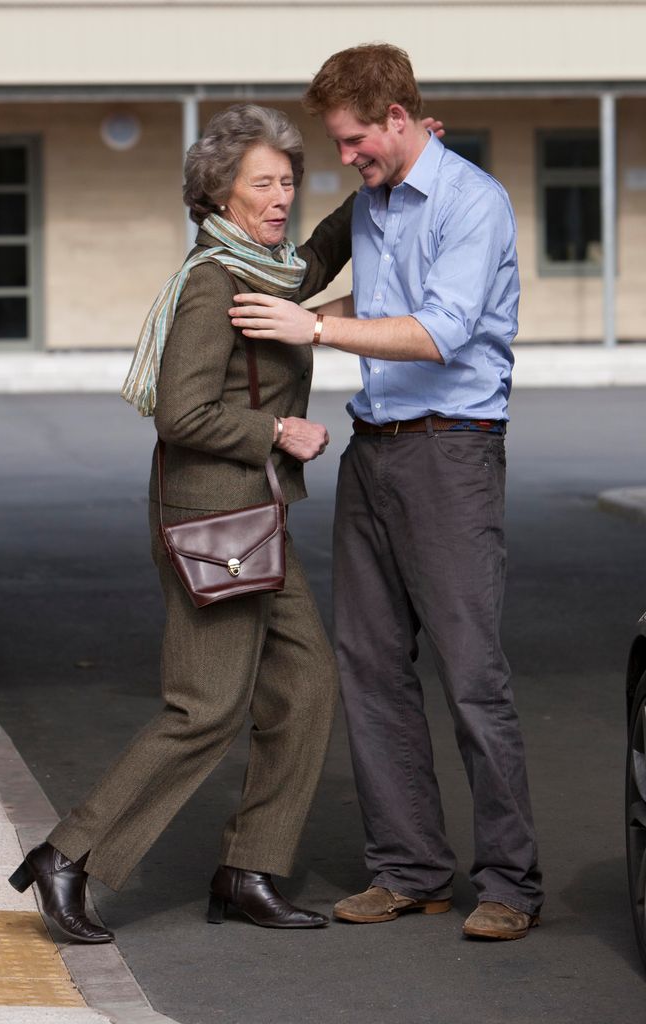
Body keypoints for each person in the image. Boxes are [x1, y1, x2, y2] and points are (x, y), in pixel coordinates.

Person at [8, 103, 355, 940]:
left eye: (289, 181)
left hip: (251, 515)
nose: (282, 197)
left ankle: (249, 869)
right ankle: (70, 854)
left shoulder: (264, 268)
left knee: (305, 686)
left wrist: (380, 179)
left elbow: (311, 263)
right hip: (214, 520)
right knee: (204, 706)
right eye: (263, 184)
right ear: (220, 195)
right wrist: (278, 429)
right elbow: (180, 413)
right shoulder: (213, 283)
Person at [229, 44, 544, 941]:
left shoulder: (473, 203)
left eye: (357, 139)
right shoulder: (370, 199)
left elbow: (443, 332)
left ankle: (511, 885)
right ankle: (410, 870)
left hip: (452, 454)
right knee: (369, 668)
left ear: (401, 119)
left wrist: (316, 329)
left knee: (473, 678)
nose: (348, 156)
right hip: (375, 452)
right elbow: (298, 260)